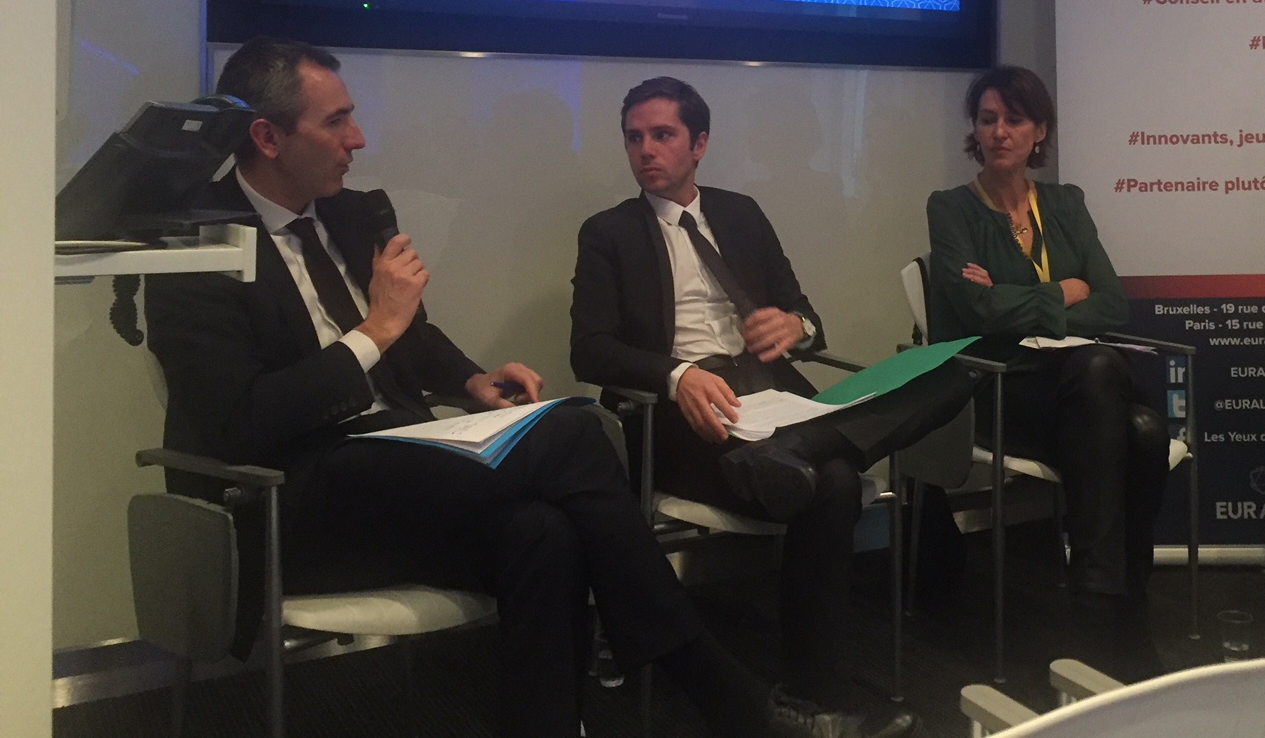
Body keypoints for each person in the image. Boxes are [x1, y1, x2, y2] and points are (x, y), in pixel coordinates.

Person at [143, 37, 858, 738]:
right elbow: (240, 423)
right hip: (288, 494)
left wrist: (471, 382)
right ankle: (711, 683)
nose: (357, 138)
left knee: (542, 532)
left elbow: (414, 337)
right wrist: (374, 331)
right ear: (267, 137)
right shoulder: (201, 247)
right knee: (573, 428)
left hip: (394, 463)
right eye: (336, 122)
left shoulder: (349, 214)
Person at [570, 76, 975, 736]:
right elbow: (589, 351)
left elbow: (807, 317)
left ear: (699, 144)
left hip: (773, 401)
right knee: (833, 481)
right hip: (687, 416)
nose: (646, 150)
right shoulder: (609, 232)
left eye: (663, 135)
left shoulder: (741, 214)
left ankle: (795, 449)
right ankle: (815, 697)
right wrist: (677, 376)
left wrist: (797, 327)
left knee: (949, 373)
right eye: (634, 137)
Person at [924, 65, 1169, 678]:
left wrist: (1010, 297)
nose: (999, 132)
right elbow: (972, 311)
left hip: (1079, 395)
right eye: (987, 120)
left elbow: (1113, 303)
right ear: (975, 131)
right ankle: (1119, 618)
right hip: (1000, 386)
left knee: (1136, 424)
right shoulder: (951, 209)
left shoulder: (1065, 203)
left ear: (1040, 132)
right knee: (1116, 392)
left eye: (1014, 119)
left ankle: (1105, 604)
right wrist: (1064, 290)